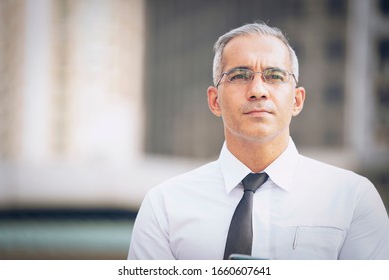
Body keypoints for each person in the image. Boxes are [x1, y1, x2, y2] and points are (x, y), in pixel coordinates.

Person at [128, 22, 389, 260]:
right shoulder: (165, 206)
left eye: (274, 76)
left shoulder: (352, 199)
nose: (257, 90)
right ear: (214, 100)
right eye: (239, 76)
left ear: (297, 100)